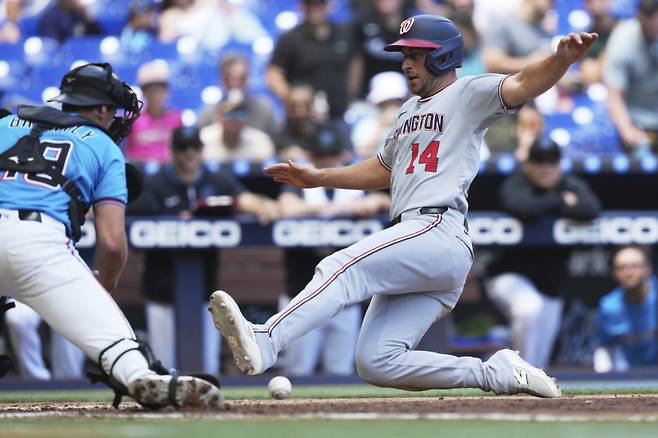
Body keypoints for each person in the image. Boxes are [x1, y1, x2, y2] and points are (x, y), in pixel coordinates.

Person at [210, 14, 599, 398]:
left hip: (436, 227)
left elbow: (523, 83)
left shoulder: (467, 94)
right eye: (404, 55)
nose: (406, 63)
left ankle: (268, 337)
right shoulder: (406, 111)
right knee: (376, 360)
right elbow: (382, 169)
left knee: (341, 267)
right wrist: (319, 178)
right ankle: (493, 372)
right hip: (420, 244)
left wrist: (560, 59)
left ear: (443, 57)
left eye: (416, 54)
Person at [0, 63, 222, 408]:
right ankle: (139, 376)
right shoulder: (104, 147)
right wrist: (103, 285)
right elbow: (113, 242)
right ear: (102, 109)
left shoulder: (5, 124)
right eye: (114, 111)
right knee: (116, 344)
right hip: (38, 243)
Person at [127, 125, 279, 374]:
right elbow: (131, 222)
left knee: (205, 367)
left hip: (205, 291)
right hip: (161, 286)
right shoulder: (156, 183)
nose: (189, 154)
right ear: (173, 151)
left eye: (194, 147)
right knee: (164, 366)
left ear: (201, 150)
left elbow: (242, 199)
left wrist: (265, 207)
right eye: (183, 148)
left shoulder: (214, 179)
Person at [278, 125, 390, 376]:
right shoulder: (299, 182)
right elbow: (286, 208)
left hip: (345, 299)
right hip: (301, 295)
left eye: (331, 155)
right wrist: (328, 211)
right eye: (320, 156)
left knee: (340, 372)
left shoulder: (354, 183)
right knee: (299, 371)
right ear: (311, 157)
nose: (326, 162)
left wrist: (370, 202)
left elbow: (386, 201)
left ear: (342, 156)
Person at [485, 138, 601, 368]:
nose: (546, 167)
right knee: (529, 308)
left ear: (560, 164)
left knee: (539, 361)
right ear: (528, 164)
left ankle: (518, 384)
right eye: (539, 161)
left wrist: (552, 202)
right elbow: (522, 207)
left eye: (552, 161)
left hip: (551, 287)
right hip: (508, 275)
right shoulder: (517, 183)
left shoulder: (571, 183)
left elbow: (590, 209)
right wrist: (560, 201)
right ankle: (518, 377)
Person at [266, 0, 357, 121]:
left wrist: (351, 94)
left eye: (319, 3)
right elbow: (274, 73)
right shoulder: (290, 39)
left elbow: (355, 63)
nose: (315, 8)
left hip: (339, 114)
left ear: (329, 5)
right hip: (302, 117)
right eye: (310, 4)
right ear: (302, 6)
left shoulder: (345, 34)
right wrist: (290, 97)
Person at [604, 0, 658, 156]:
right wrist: (626, 129)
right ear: (639, 17)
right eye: (648, 20)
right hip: (636, 120)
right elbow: (615, 95)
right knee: (641, 155)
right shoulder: (623, 39)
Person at [594, 245, 657, 372]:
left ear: (647, 268)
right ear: (614, 273)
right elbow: (604, 347)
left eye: (634, 266)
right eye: (621, 268)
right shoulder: (609, 306)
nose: (628, 272)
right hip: (628, 375)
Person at [197, 52, 280, 137]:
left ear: (248, 79)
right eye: (229, 78)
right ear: (221, 80)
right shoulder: (209, 113)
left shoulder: (264, 109)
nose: (235, 84)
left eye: (242, 78)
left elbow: (278, 141)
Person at [4, 300, 85, 380]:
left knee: (71, 315)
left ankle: (67, 382)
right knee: (18, 318)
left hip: (67, 293)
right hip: (25, 293)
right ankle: (35, 382)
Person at [124, 60, 182, 163]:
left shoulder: (176, 119)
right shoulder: (133, 120)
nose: (155, 93)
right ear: (144, 92)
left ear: (166, 91)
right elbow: (128, 156)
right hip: (142, 174)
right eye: (150, 89)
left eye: (159, 88)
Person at [200, 99, 276, 163]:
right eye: (229, 114)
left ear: (247, 118)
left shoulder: (261, 142)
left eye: (240, 114)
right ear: (217, 117)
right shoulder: (203, 139)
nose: (234, 119)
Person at [36, 0, 103, 43]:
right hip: (61, 57)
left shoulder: (79, 12)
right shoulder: (49, 16)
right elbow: (52, 44)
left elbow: (97, 37)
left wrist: (90, 20)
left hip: (82, 53)